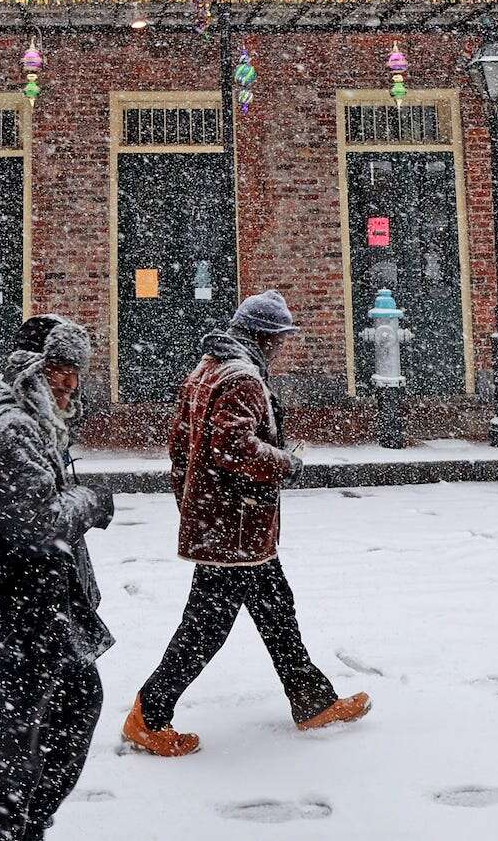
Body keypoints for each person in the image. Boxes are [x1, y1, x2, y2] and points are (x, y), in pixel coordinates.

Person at [121, 289, 369, 756]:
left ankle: (312, 700)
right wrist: (285, 463)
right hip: (236, 527)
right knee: (206, 626)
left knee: (276, 608)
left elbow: (180, 449)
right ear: (264, 337)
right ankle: (148, 715)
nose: (282, 348)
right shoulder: (242, 379)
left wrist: (193, 504)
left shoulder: (205, 369)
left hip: (227, 524)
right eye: (279, 339)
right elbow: (232, 448)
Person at [0, 314, 115, 841]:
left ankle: (24, 824)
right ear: (30, 368)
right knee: (10, 743)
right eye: (59, 367)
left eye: (75, 371)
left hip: (23, 605)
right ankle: (7, 830)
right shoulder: (13, 428)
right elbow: (37, 522)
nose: (68, 380)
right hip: (9, 608)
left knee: (62, 709)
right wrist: (91, 501)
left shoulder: (31, 422)